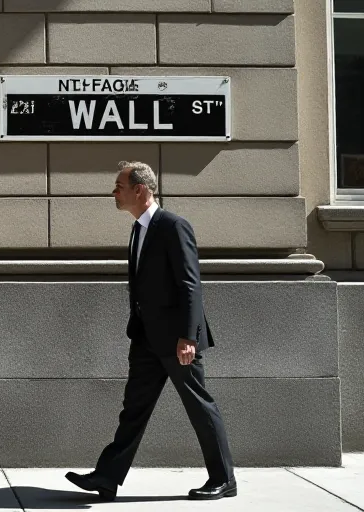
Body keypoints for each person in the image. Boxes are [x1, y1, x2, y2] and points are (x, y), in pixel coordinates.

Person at [65, 161, 237, 501]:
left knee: (199, 406)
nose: (114, 192)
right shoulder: (138, 229)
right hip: (146, 338)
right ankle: (107, 477)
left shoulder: (173, 226)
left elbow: (190, 285)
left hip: (176, 340)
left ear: (139, 189)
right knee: (134, 408)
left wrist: (188, 337)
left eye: (119, 186)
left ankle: (223, 479)